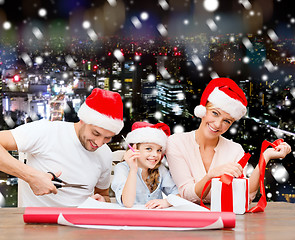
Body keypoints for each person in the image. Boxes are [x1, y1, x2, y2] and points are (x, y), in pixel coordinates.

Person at [166, 78, 291, 204]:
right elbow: (188, 195)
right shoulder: (176, 143)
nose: (217, 124)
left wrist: (266, 156)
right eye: (215, 113)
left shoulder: (235, 150)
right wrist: (211, 175)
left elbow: (246, 196)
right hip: (188, 219)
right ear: (203, 110)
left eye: (227, 121)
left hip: (225, 219)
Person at [0, 88, 124, 207]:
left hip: (81, 224)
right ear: (83, 120)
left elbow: (103, 194)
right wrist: (31, 176)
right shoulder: (46, 131)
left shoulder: (105, 153)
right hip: (38, 224)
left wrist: (101, 202)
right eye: (95, 133)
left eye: (107, 138)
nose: (99, 143)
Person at [111, 122, 179, 209]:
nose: (155, 154)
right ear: (134, 148)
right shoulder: (122, 168)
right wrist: (133, 169)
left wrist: (167, 201)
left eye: (159, 150)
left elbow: (178, 194)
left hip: (154, 219)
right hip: (129, 219)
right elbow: (127, 203)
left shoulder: (160, 169)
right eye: (148, 149)